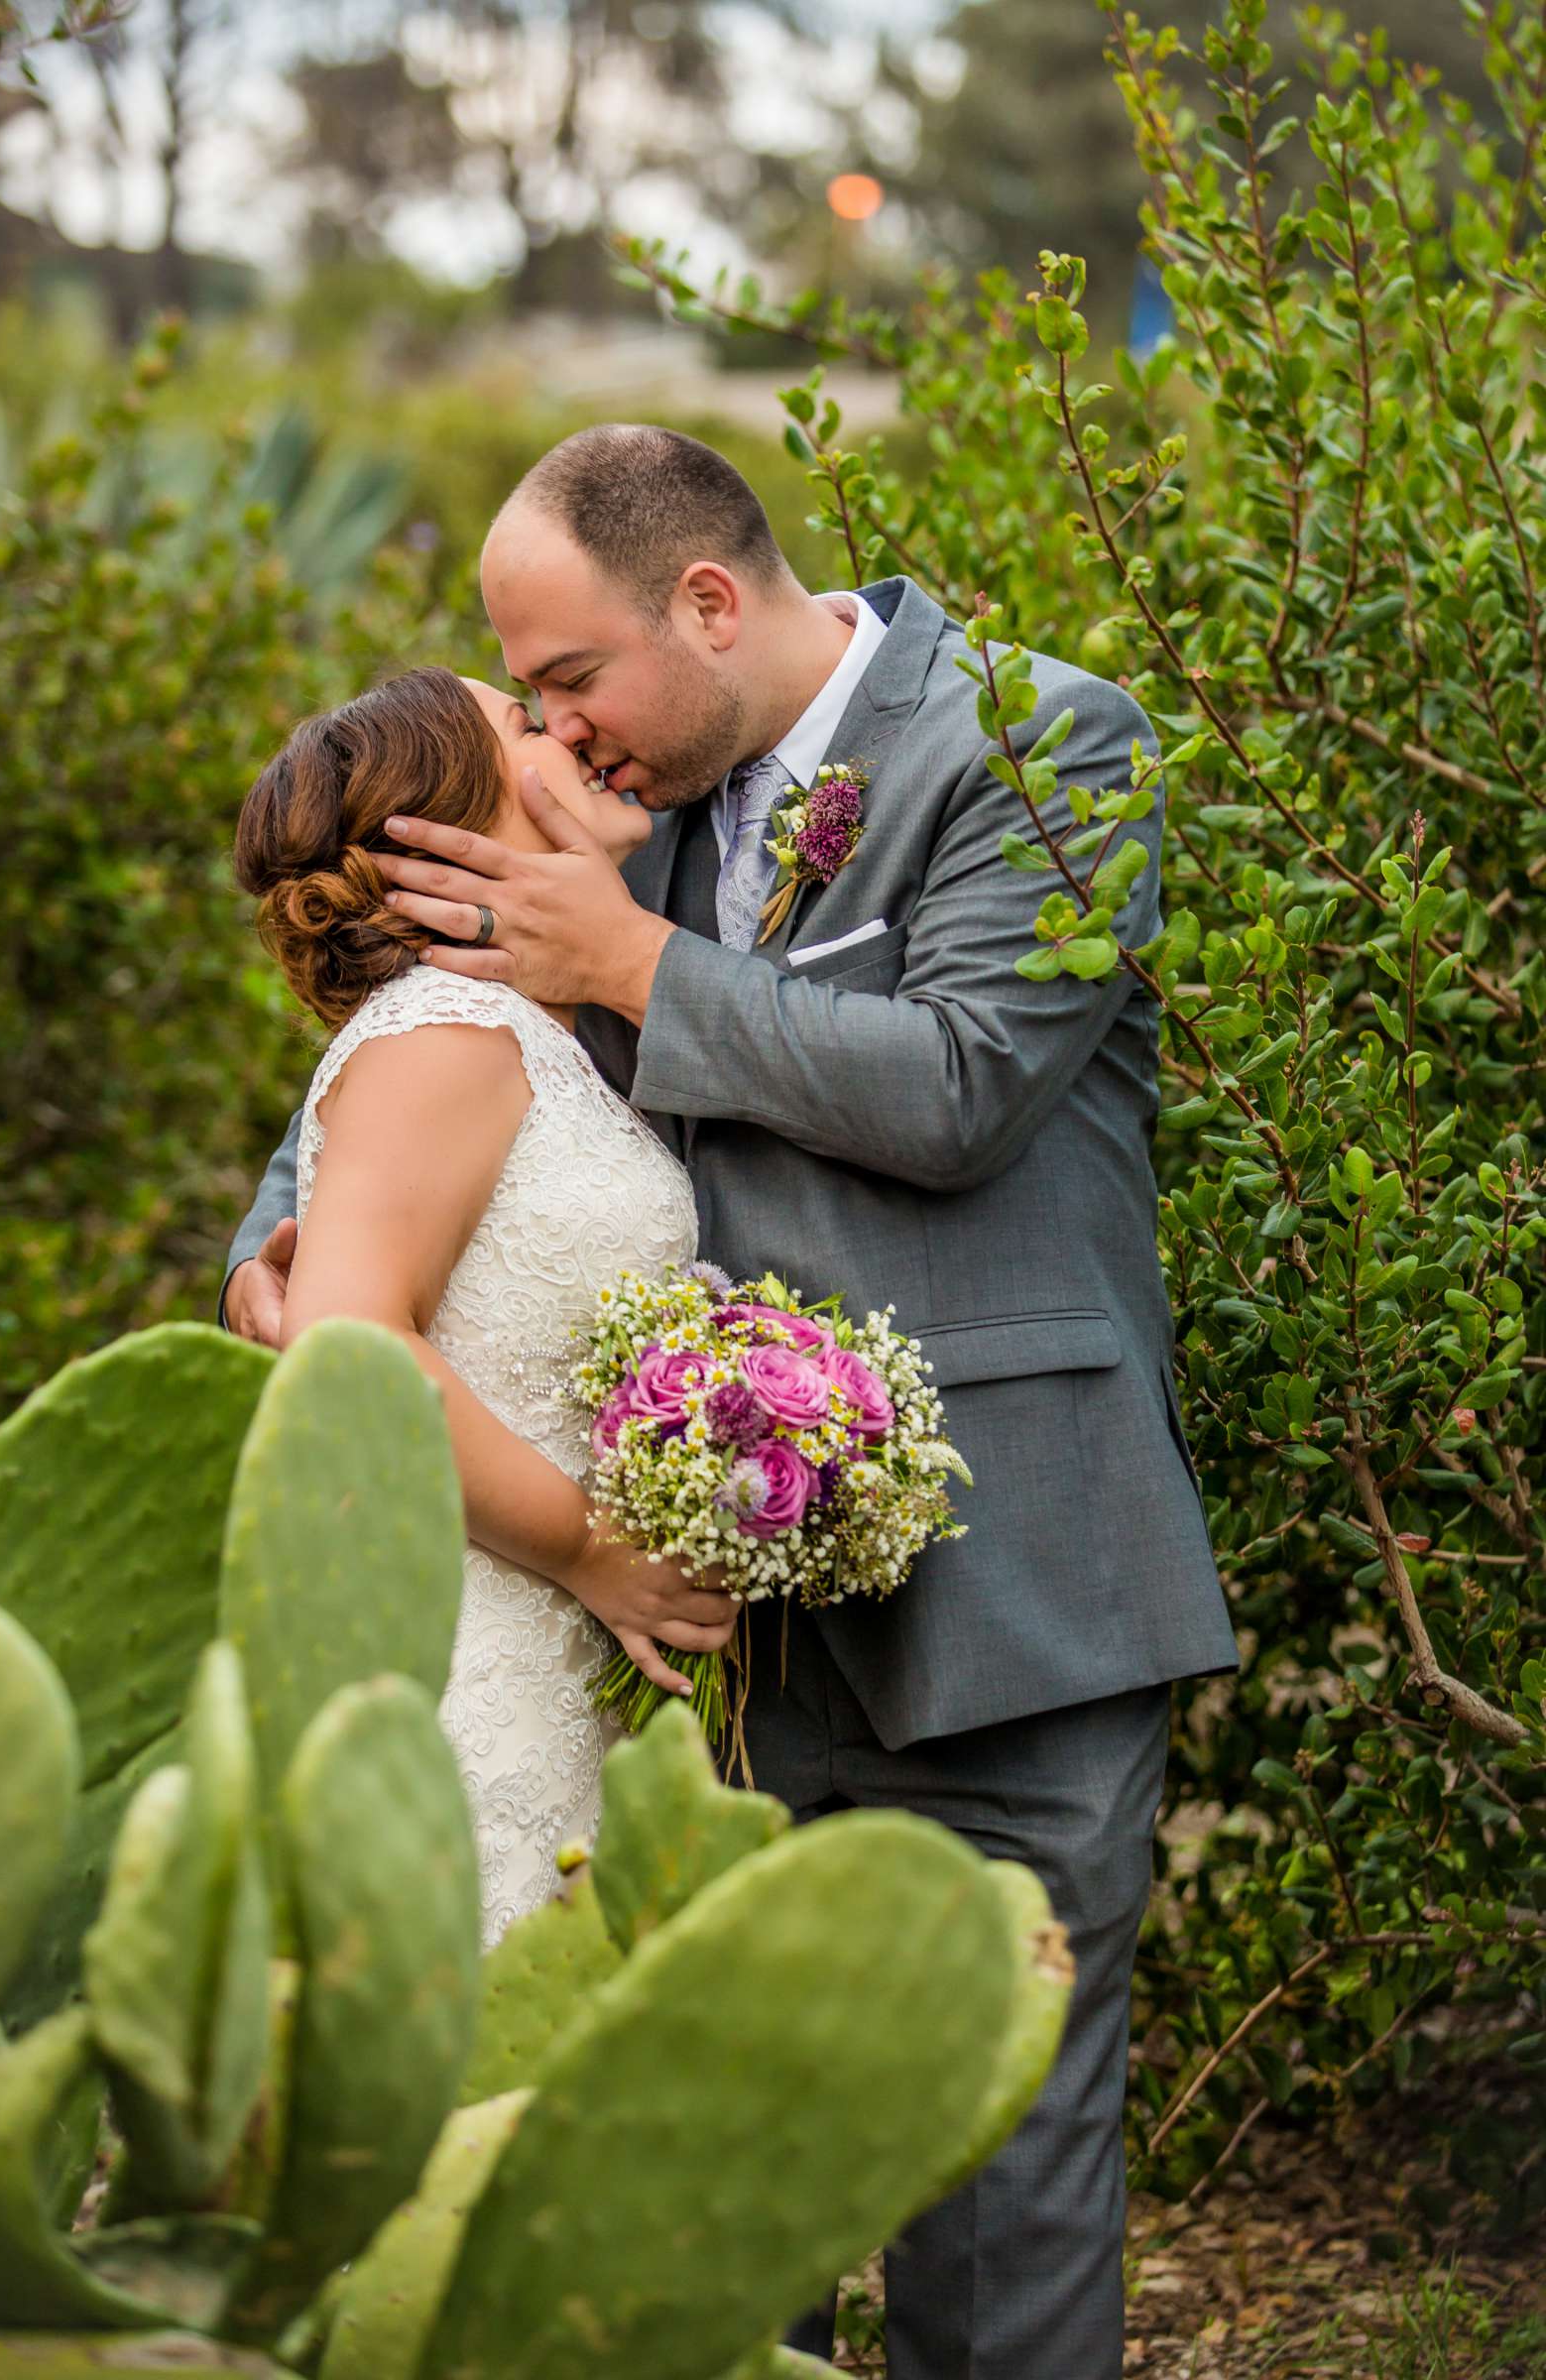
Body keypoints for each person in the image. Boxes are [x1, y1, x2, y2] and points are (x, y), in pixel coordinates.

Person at [224, 426, 1238, 2380]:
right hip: (707, 1672)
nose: (550, 730)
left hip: (1004, 1587)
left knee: (997, 2186)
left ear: (704, 600)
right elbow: (413, 1057)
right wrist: (280, 1244)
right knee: (683, 2205)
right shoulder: (627, 798)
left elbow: (960, 1086)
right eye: (524, 697)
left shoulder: (1043, 743)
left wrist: (629, 957)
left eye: (565, 678)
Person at [231, 662, 730, 1946]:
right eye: (520, 720)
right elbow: (349, 1342)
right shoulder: (450, 1035)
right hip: (490, 1652)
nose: (565, 728)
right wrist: (589, 1551)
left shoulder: (524, 1032)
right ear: (441, 832)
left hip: (567, 1667)